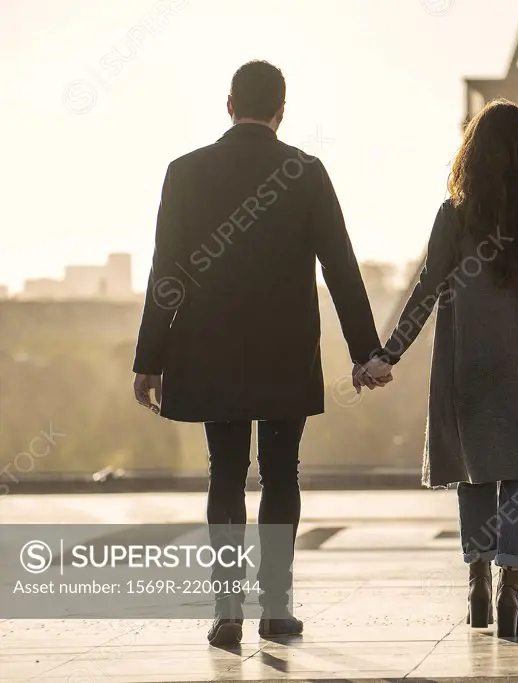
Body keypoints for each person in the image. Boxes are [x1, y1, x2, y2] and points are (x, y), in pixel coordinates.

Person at [131, 60, 392, 646]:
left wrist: (149, 358)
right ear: (282, 110)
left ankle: (227, 611)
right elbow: (340, 267)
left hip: (208, 350)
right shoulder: (306, 171)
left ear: (228, 105)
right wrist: (364, 351)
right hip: (285, 350)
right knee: (281, 474)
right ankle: (276, 607)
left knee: (224, 473)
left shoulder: (184, 172)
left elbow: (165, 274)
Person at [365, 99, 518, 639]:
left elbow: (424, 291)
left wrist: (387, 354)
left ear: (473, 156)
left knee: (474, 471)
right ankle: (512, 589)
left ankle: (477, 582)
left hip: (471, 363)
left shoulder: (454, 214)